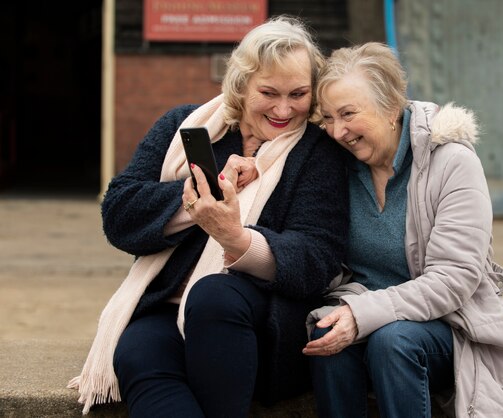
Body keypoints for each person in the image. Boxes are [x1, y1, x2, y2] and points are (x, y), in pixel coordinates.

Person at [68, 16, 348, 417]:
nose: (284, 109)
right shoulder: (186, 126)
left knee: (213, 295)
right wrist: (198, 201)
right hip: (167, 308)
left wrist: (236, 238)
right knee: (137, 353)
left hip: (263, 326)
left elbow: (318, 257)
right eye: (268, 92)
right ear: (241, 85)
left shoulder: (317, 153)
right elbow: (118, 214)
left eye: (299, 94)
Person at [302, 42, 503, 418]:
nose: (337, 131)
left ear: (392, 108)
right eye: (327, 118)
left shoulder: (451, 162)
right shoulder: (336, 166)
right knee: (325, 334)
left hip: (449, 325)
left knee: (393, 341)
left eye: (348, 114)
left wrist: (365, 313)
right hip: (363, 309)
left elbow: (455, 278)